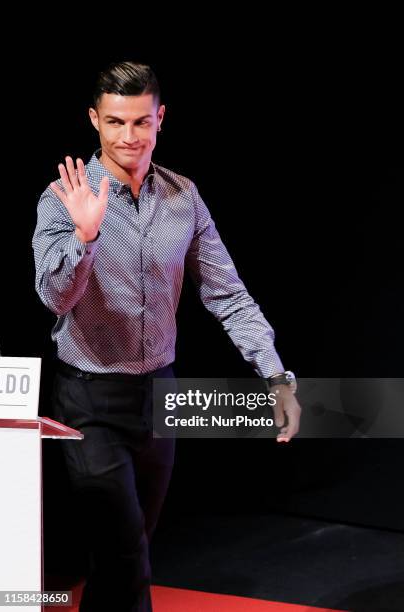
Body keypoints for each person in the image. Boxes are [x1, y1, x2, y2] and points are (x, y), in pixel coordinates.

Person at [32, 61, 301, 612]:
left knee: (125, 555)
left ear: (160, 120)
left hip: (158, 395)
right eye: (114, 122)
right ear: (94, 121)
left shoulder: (185, 198)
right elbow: (54, 298)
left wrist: (275, 375)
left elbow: (227, 293)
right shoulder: (63, 197)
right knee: (126, 551)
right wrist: (85, 236)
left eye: (140, 122)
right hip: (88, 401)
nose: (128, 137)